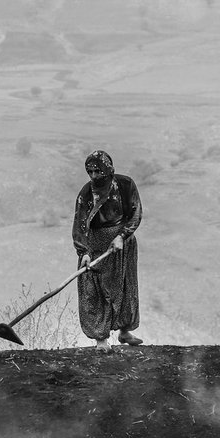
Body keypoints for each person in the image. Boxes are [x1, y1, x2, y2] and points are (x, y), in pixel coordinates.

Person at [72, 150, 143, 352]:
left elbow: (136, 214)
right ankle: (101, 340)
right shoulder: (86, 194)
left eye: (97, 171)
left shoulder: (125, 185)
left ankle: (124, 331)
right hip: (95, 245)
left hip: (123, 243)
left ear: (108, 169)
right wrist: (83, 252)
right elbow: (79, 225)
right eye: (90, 172)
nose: (94, 176)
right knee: (94, 290)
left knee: (125, 287)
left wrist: (122, 236)